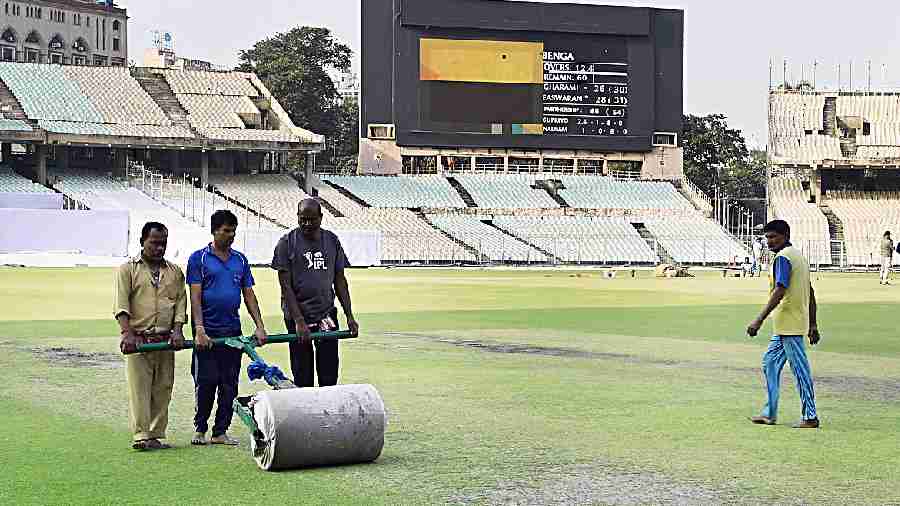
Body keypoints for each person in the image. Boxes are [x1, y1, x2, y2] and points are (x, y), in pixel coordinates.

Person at [187, 210, 267, 446]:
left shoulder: (240, 260)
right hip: (207, 333)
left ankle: (220, 431)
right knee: (206, 382)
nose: (230, 235)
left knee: (229, 384)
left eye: (233, 231)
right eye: (225, 231)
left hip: (232, 332)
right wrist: (199, 329)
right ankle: (200, 429)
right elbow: (195, 297)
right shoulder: (198, 259)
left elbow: (249, 295)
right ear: (214, 231)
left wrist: (260, 326)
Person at [115, 222, 187, 450]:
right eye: (154, 243)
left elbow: (180, 303)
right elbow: (121, 303)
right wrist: (126, 333)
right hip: (139, 339)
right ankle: (141, 435)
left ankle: (155, 434)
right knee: (140, 389)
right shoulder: (128, 269)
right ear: (142, 242)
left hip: (166, 340)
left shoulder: (174, 271)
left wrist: (178, 330)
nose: (159, 248)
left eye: (163, 243)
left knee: (163, 387)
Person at [272, 198, 359, 387]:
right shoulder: (286, 243)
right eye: (303, 219)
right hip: (298, 315)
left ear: (321, 217)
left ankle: (327, 411)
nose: (307, 224)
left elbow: (340, 280)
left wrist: (350, 316)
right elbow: (285, 286)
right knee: (303, 373)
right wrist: (299, 321)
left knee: (329, 371)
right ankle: (308, 412)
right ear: (297, 217)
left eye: (312, 219)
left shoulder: (331, 240)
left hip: (325, 314)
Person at [746, 220, 820, 429]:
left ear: (785, 235)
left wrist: (758, 319)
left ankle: (810, 416)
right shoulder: (798, 257)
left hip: (789, 323)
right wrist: (813, 324)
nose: (769, 241)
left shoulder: (783, 258)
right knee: (770, 363)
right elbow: (811, 293)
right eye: (767, 237)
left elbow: (780, 290)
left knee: (800, 370)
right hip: (788, 324)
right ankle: (769, 413)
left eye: (773, 237)